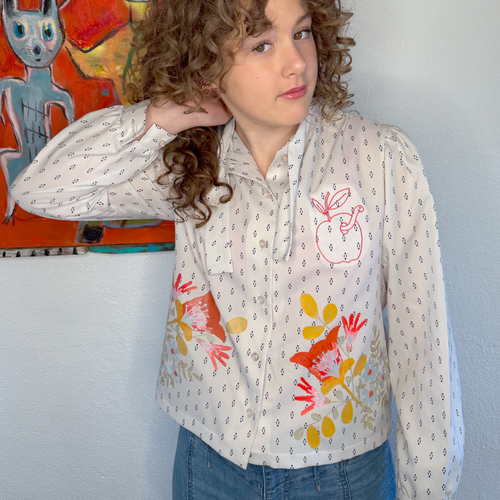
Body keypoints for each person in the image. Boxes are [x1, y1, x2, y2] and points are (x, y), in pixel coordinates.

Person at [10, 0, 464, 498]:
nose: (296, 63)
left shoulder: (380, 158)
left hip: (341, 470)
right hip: (210, 465)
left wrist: (429, 486)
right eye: (261, 45)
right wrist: (165, 114)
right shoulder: (188, 168)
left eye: (302, 33)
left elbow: (422, 341)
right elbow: (40, 190)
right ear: (207, 61)